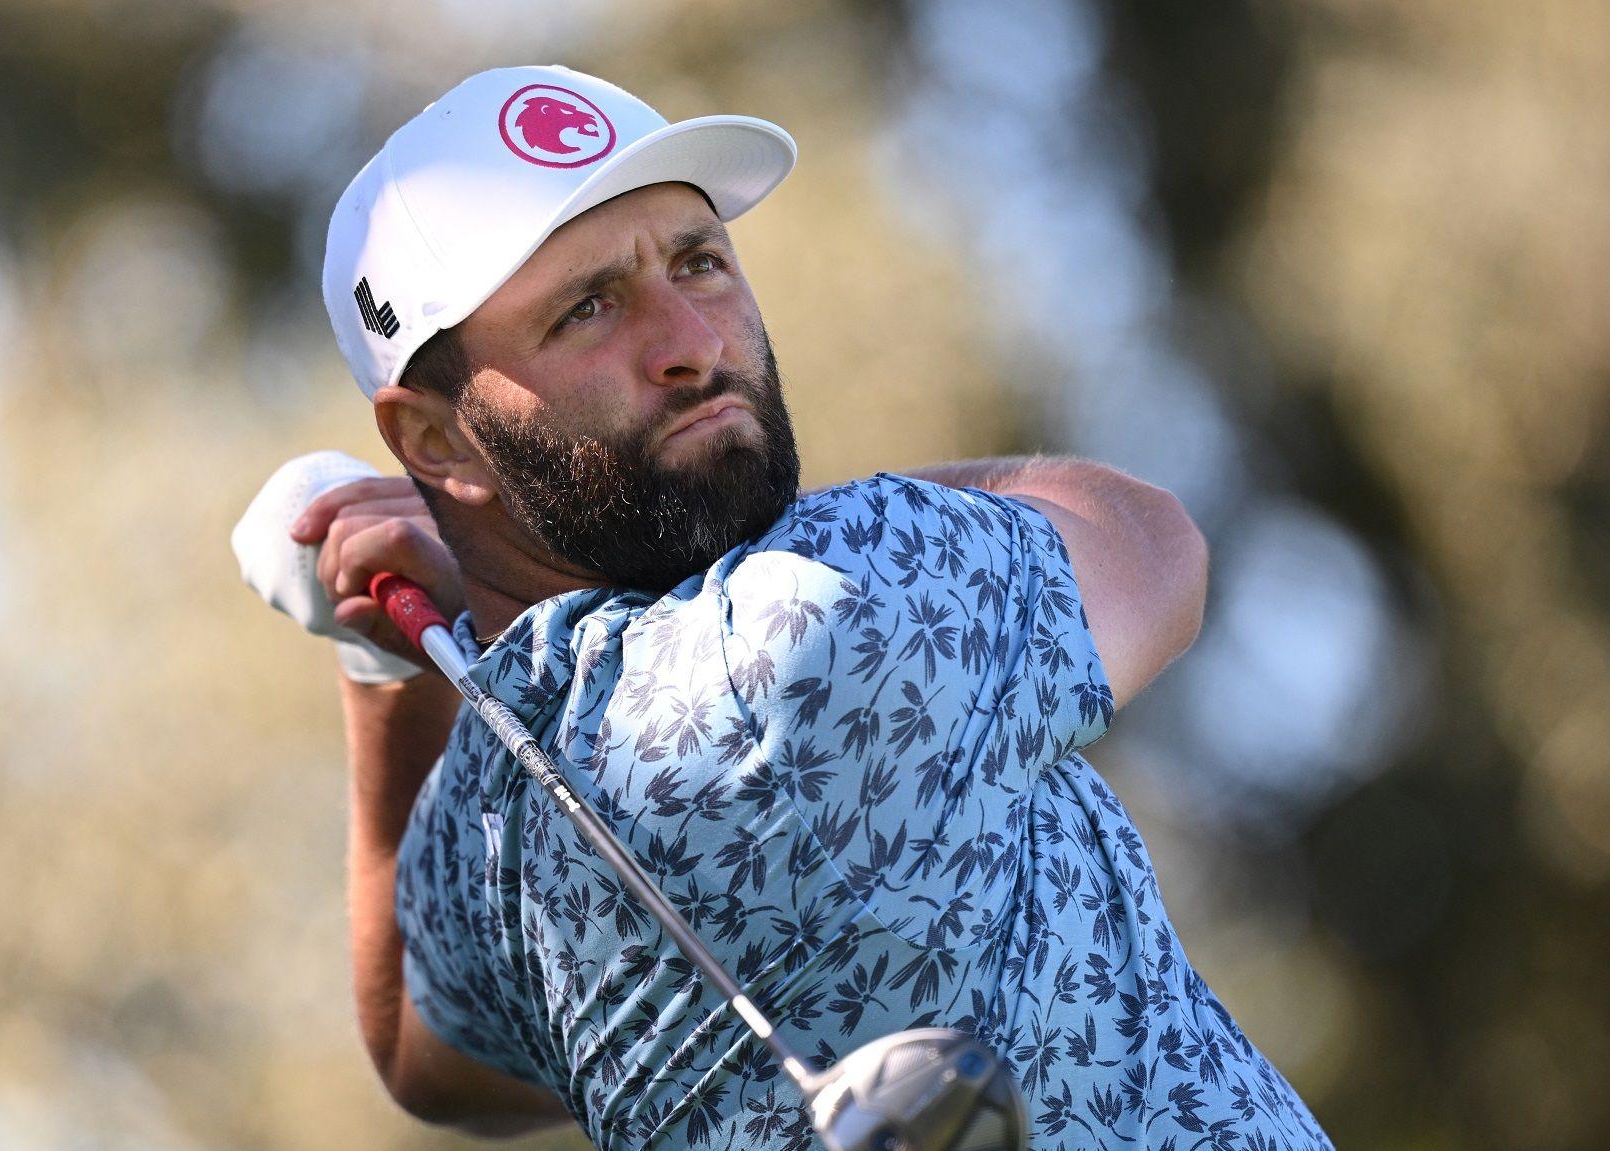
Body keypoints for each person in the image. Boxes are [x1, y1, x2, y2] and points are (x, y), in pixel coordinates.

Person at [252, 64, 1334, 1149]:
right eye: (586, 311)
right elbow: (1147, 535)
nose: (694, 341)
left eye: (698, 261)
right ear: (435, 440)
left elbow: (418, 1048)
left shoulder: (488, 840)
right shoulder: (829, 602)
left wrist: (387, 667)